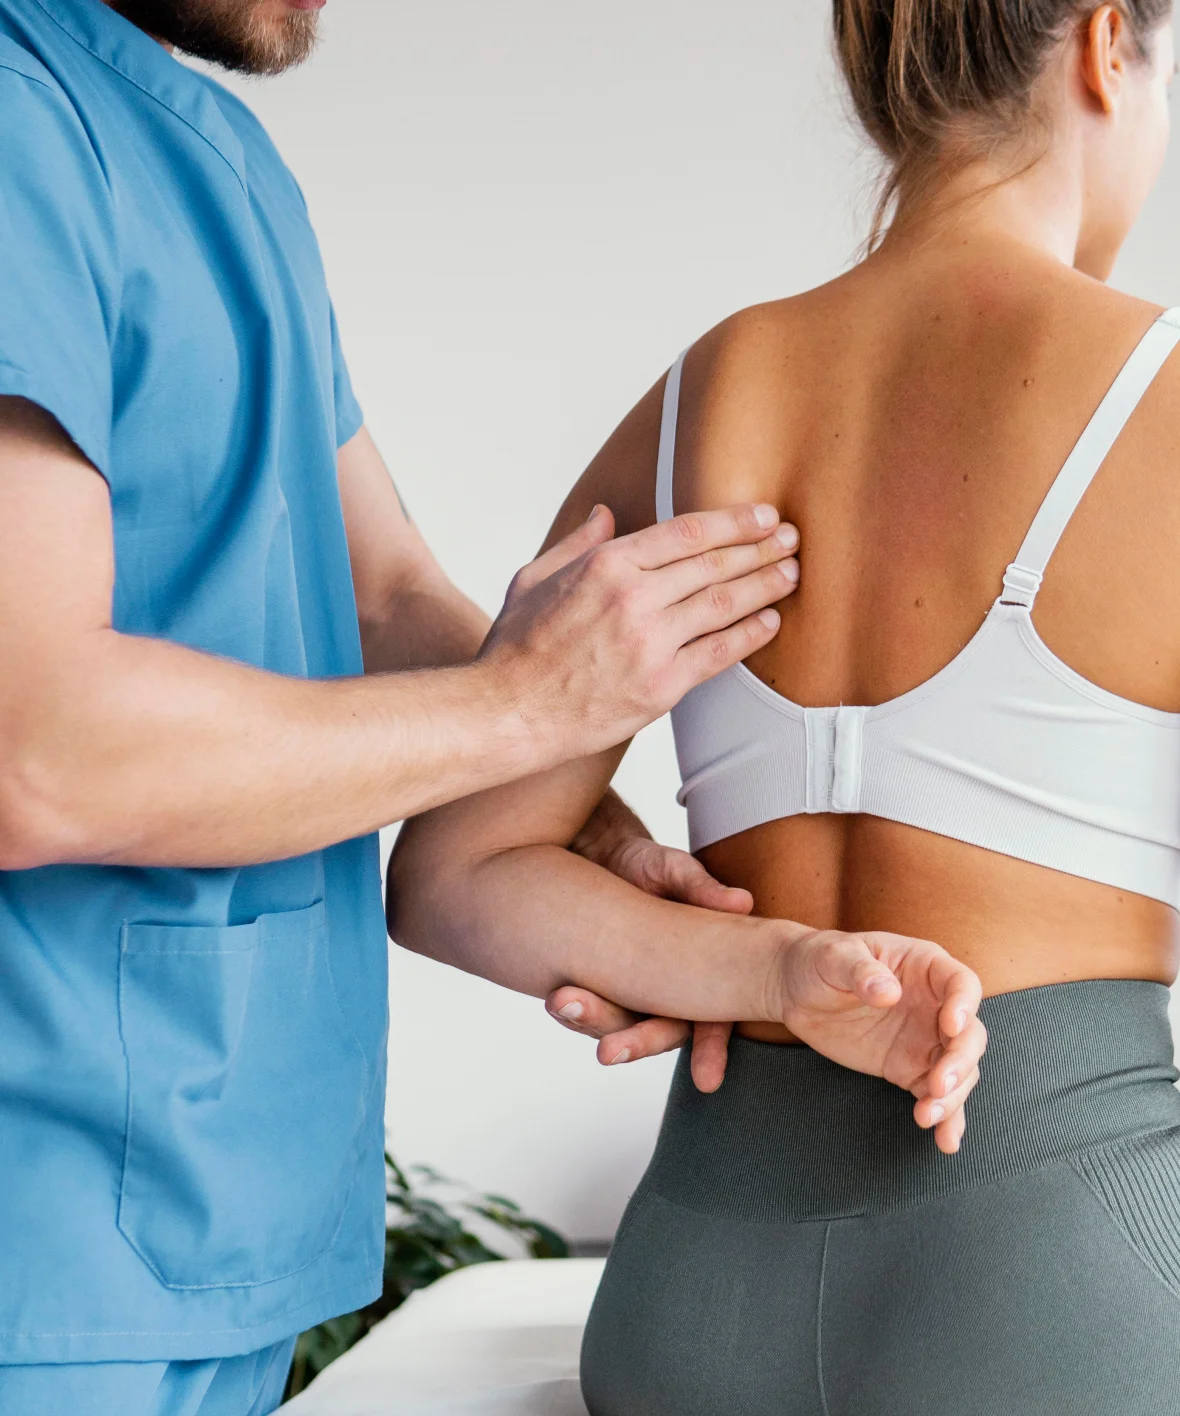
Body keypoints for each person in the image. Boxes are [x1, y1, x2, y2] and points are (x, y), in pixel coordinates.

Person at [0, 0, 992, 1412]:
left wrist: (577, 828)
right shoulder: (20, 129)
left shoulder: (224, 164)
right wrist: (529, 708)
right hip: (45, 1217)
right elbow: (31, 750)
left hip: (208, 1208)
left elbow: (386, 592)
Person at [389, 2, 1180, 1411]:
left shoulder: (703, 394)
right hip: (1068, 1276)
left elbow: (450, 876)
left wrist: (761, 971)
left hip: (695, 1293)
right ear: (1107, 45)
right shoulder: (1159, 389)